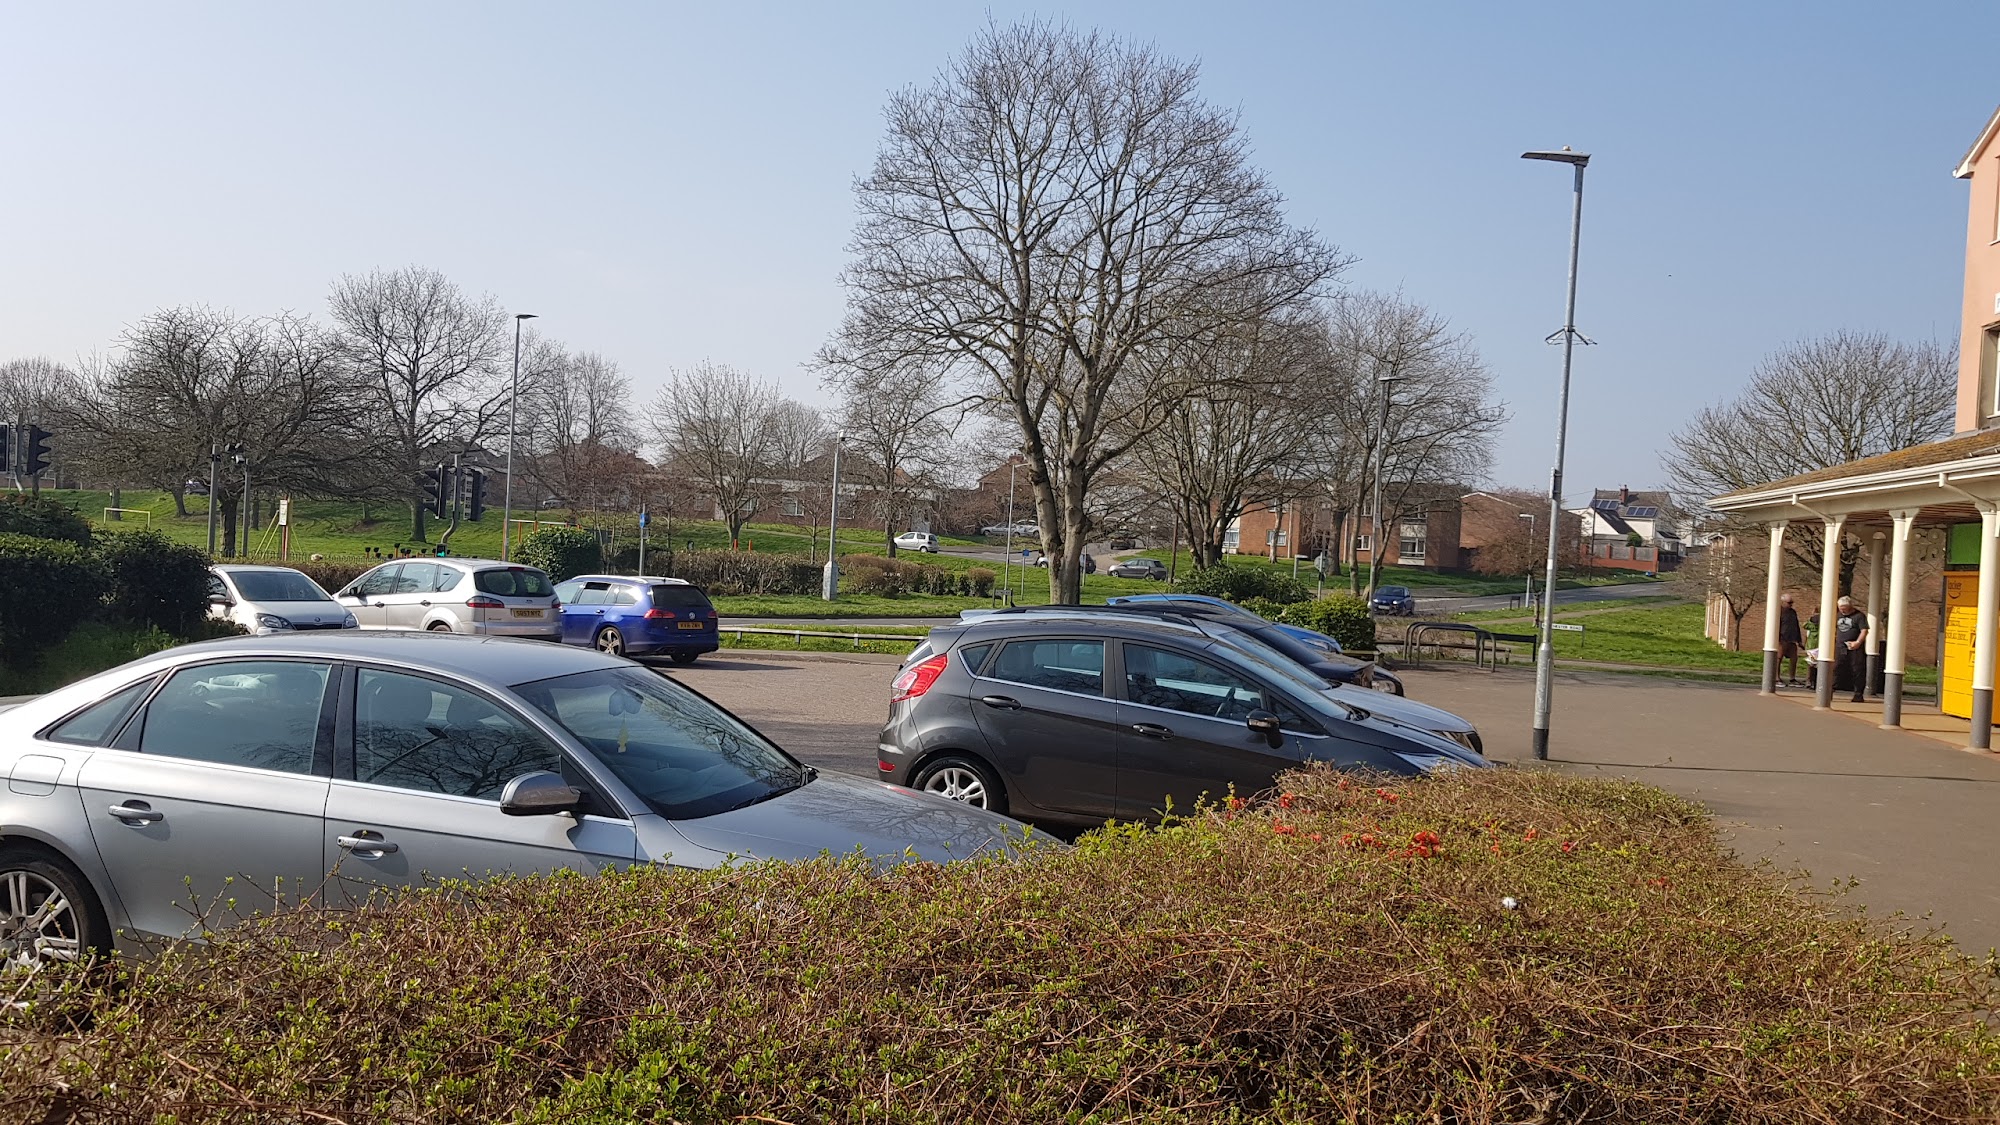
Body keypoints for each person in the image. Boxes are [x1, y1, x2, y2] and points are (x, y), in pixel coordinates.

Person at [1834, 594, 1869, 703]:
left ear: (1850, 607)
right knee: (1836, 668)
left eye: (1845, 609)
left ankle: (1858, 694)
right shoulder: (1838, 615)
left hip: (1855, 648)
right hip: (1840, 647)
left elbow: (1864, 630)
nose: (1843, 611)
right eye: (1841, 609)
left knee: (1857, 670)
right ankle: (1829, 690)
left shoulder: (1859, 616)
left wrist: (1858, 642)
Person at [1777, 593, 1804, 687]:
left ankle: (1792, 678)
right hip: (1782, 639)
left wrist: (1799, 640)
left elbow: (1796, 626)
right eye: (1789, 602)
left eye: (1792, 602)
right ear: (1783, 602)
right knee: (1778, 658)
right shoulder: (1778, 612)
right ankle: (1777, 678)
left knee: (1794, 659)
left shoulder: (1793, 612)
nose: (1791, 604)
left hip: (1792, 639)